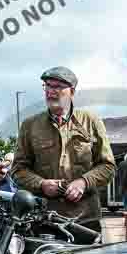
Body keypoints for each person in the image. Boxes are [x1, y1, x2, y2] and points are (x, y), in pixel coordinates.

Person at [12, 66, 115, 233]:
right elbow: (18, 170)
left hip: (85, 221)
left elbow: (108, 167)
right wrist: (41, 184)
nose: (51, 91)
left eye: (58, 87)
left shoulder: (91, 121)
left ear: (72, 92)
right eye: (48, 86)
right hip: (44, 220)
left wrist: (83, 182)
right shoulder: (30, 126)